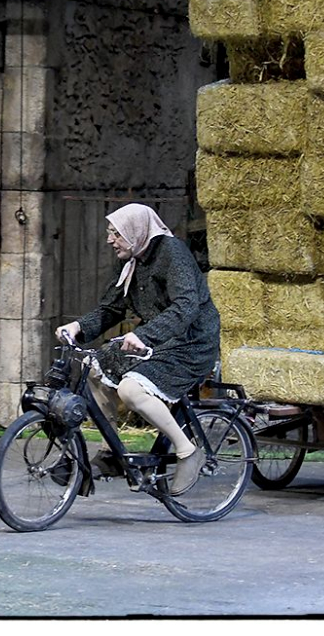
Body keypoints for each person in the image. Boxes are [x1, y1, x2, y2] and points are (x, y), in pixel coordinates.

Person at [56, 203, 220, 494]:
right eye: (110, 233)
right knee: (92, 368)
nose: (110, 240)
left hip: (191, 343)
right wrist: (77, 326)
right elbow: (111, 308)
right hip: (156, 339)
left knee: (130, 390)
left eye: (116, 233)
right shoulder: (131, 260)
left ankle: (187, 451)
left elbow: (186, 306)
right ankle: (111, 453)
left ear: (137, 232)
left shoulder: (172, 253)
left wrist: (144, 335)